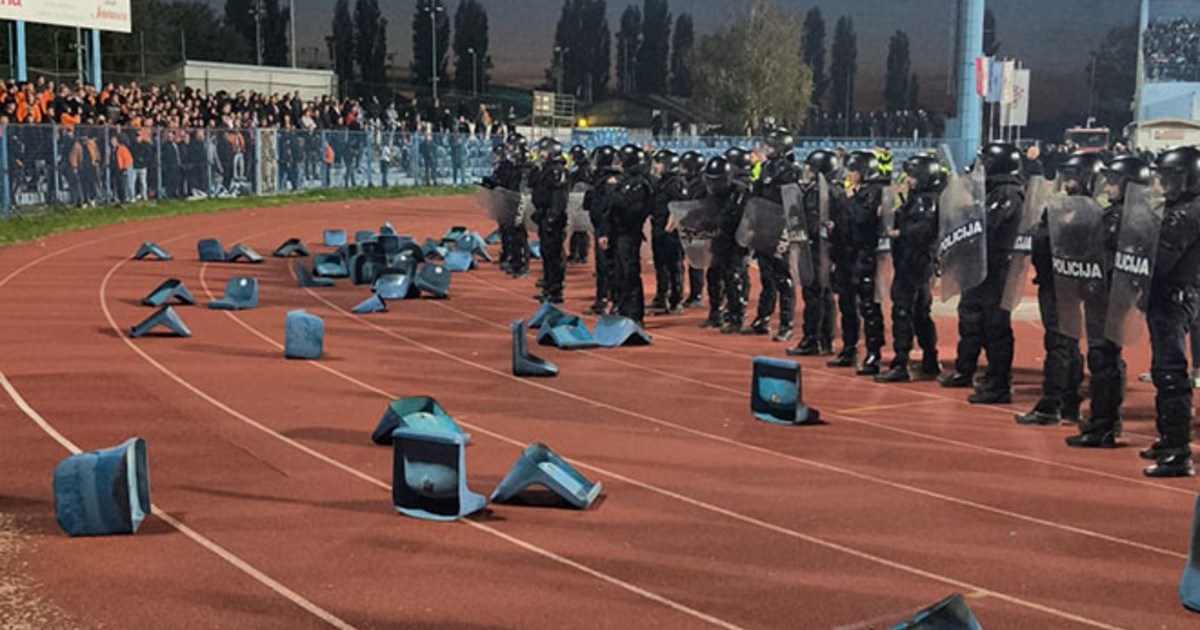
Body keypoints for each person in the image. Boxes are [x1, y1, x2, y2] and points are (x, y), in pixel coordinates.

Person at [1064, 154, 1150, 448]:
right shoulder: (1124, 212)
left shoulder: (1127, 216)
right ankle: (1104, 420)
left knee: (1104, 357)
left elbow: (1100, 248)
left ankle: (1104, 423)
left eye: (1115, 181)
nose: (1109, 186)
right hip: (1104, 291)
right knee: (1105, 356)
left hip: (1110, 292)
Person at [1013, 152, 1098, 424]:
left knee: (1060, 344)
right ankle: (1068, 400)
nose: (1069, 182)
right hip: (1055, 279)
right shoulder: (1064, 207)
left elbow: (1051, 240)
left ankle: (1052, 403)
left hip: (1066, 282)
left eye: (1075, 177)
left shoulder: (1091, 212)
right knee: (1066, 342)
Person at [940, 143, 1024, 404]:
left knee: (995, 327)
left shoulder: (1008, 192)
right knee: (971, 320)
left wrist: (969, 209)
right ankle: (966, 369)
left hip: (997, 267)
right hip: (979, 265)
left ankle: (999, 382)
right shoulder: (990, 192)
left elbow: (990, 223)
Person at [1140, 146, 1200, 477]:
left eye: (1169, 177)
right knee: (1163, 369)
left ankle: (1178, 450)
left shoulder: (1187, 213)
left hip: (1174, 296)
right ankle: (1167, 439)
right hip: (1169, 295)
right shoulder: (1179, 208)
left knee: (1171, 373)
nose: (1162, 184)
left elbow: (1161, 259)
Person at [876, 155, 942, 382]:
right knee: (921, 312)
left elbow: (924, 231)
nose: (909, 180)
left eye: (913, 176)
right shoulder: (919, 199)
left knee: (903, 310)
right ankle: (930, 359)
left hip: (914, 261)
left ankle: (901, 362)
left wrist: (900, 233)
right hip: (913, 262)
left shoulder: (926, 201)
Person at [827, 150, 886, 375]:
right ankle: (849, 348)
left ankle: (873, 354)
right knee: (846, 304)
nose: (850, 175)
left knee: (869, 306)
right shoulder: (849, 193)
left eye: (854, 171)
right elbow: (842, 220)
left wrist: (849, 200)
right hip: (845, 254)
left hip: (865, 254)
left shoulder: (875, 193)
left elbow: (863, 219)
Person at [746, 127, 799, 342]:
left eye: (771, 146)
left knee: (782, 277)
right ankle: (762, 318)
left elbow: (792, 204)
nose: (766, 149)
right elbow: (757, 194)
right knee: (766, 275)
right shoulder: (766, 167)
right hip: (764, 225)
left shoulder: (790, 172)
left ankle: (786, 324)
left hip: (780, 227)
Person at [789, 149, 840, 357]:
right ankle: (826, 339)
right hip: (827, 251)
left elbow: (813, 221)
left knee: (813, 295)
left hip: (816, 249)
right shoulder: (835, 191)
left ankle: (811, 339)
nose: (807, 172)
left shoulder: (820, 192)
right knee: (825, 294)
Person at [599, 144, 654, 326]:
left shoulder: (640, 184)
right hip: (617, 233)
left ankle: (634, 315)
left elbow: (633, 210)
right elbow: (608, 210)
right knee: (618, 274)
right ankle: (622, 308)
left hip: (629, 234)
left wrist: (613, 192)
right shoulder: (623, 181)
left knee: (630, 274)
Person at [701, 156, 749, 333]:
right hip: (719, 240)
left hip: (736, 241)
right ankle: (715, 314)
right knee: (713, 275)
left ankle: (736, 317)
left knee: (733, 277)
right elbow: (707, 212)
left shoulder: (740, 192)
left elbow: (734, 217)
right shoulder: (711, 194)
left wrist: (718, 224)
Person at [530, 137, 570, 304]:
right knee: (546, 253)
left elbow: (559, 197)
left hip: (553, 218)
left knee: (554, 253)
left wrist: (553, 217)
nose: (541, 154)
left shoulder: (557, 170)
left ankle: (555, 289)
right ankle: (548, 285)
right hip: (544, 215)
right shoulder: (545, 169)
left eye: (544, 151)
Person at [649, 149, 687, 314]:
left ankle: (676, 300)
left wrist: (669, 227)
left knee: (674, 265)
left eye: (659, 163)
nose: (656, 166)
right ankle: (661, 296)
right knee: (660, 265)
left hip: (670, 231)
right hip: (658, 226)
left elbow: (678, 207)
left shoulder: (675, 183)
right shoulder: (662, 181)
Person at [584, 145, 622, 316]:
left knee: (607, 266)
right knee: (604, 266)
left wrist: (605, 231)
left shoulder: (609, 181)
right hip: (602, 227)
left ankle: (607, 299)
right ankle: (606, 298)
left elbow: (607, 207)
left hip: (607, 228)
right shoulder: (602, 179)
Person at [680, 150, 708, 308]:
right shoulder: (689, 182)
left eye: (684, 167)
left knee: (697, 262)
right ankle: (693, 293)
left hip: (699, 227)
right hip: (690, 226)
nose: (682, 171)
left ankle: (697, 294)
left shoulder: (700, 183)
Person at [567, 144, 592, 265]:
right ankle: (580, 254)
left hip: (580, 200)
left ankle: (579, 254)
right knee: (579, 230)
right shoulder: (583, 168)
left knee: (579, 230)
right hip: (580, 200)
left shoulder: (581, 169)